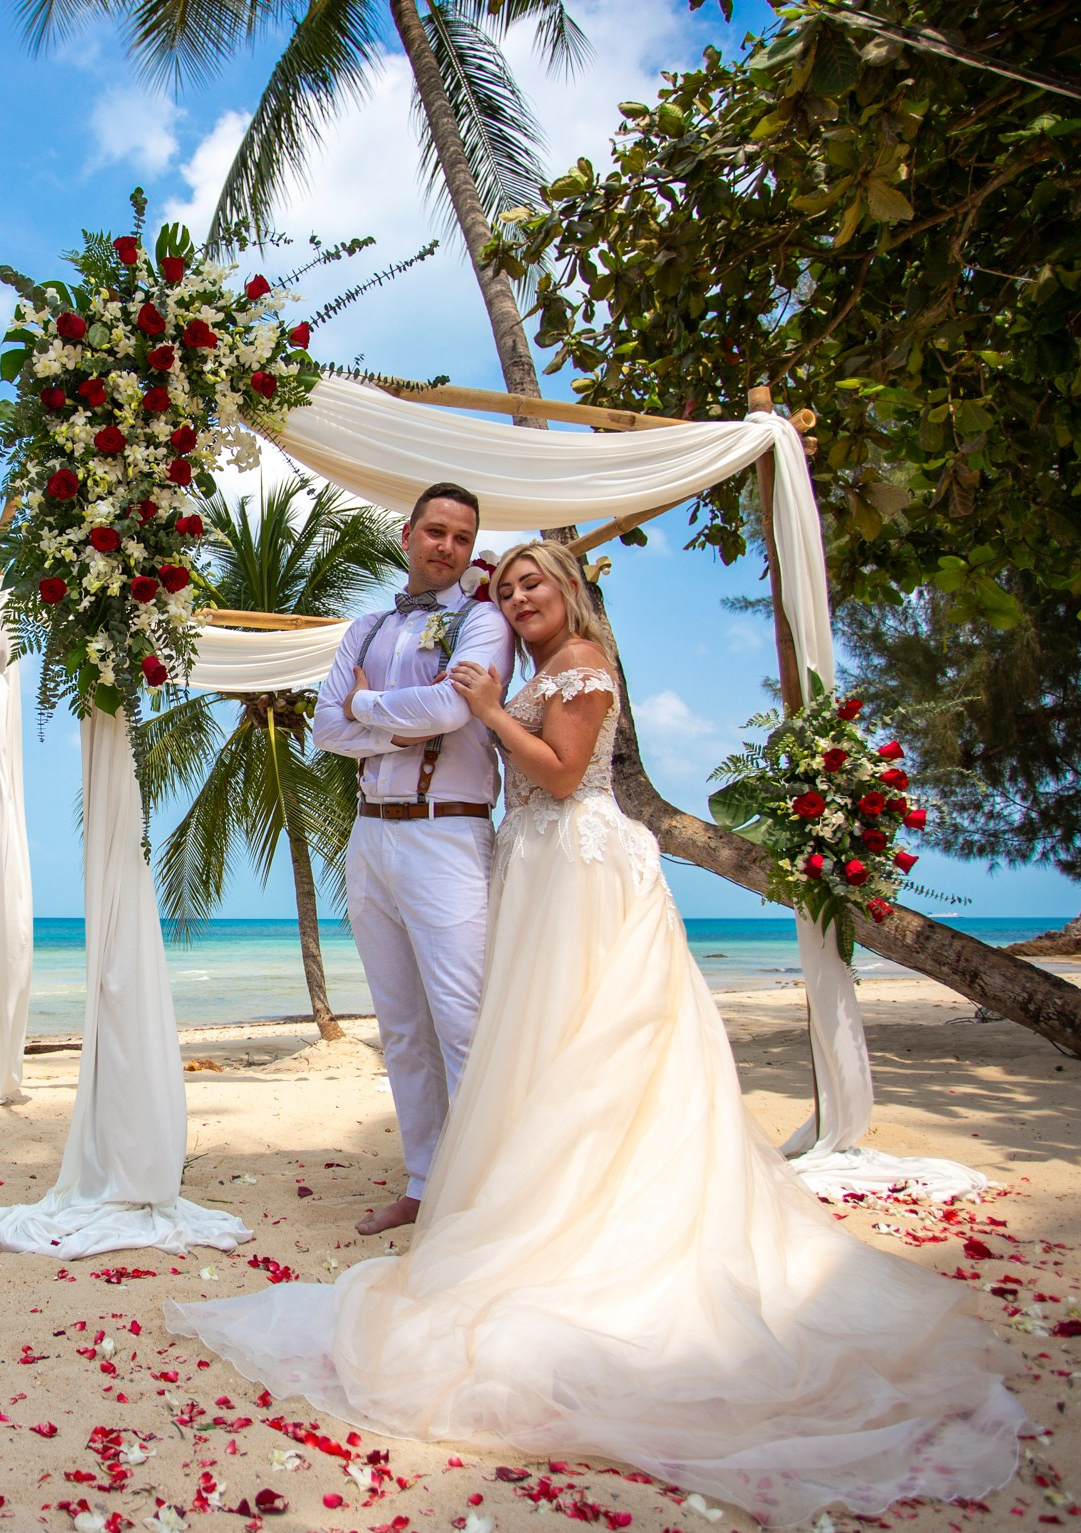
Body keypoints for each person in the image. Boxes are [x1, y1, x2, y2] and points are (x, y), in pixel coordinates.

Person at [172, 541, 1026, 1524]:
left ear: (567, 592)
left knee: (599, 1044)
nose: (518, 599)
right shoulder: (535, 665)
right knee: (543, 1053)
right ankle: (550, 1192)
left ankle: (595, 1210)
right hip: (532, 868)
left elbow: (564, 766)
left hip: (579, 872)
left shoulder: (579, 665)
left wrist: (490, 711)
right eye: (507, 589)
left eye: (532, 584)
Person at [310, 483, 514, 1237]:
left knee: (463, 1020)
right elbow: (321, 728)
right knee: (400, 1025)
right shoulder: (364, 629)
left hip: (449, 835)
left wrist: (367, 709)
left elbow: (450, 711)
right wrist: (385, 723)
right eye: (435, 531)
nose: (447, 548)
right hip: (371, 837)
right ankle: (426, 1182)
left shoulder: (485, 620)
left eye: (462, 538)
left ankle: (485, 1195)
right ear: (407, 533)